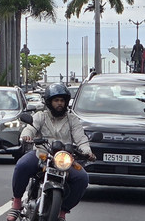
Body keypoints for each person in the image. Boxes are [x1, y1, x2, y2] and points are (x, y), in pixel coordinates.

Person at [6, 83, 94, 221]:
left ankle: (62, 212)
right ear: (49, 102)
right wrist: (26, 136)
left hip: (64, 158)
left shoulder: (72, 119)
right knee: (22, 165)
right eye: (56, 100)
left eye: (62, 100)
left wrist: (87, 151)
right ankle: (16, 203)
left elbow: (81, 138)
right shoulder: (41, 116)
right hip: (41, 153)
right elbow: (30, 128)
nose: (59, 103)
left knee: (82, 178)